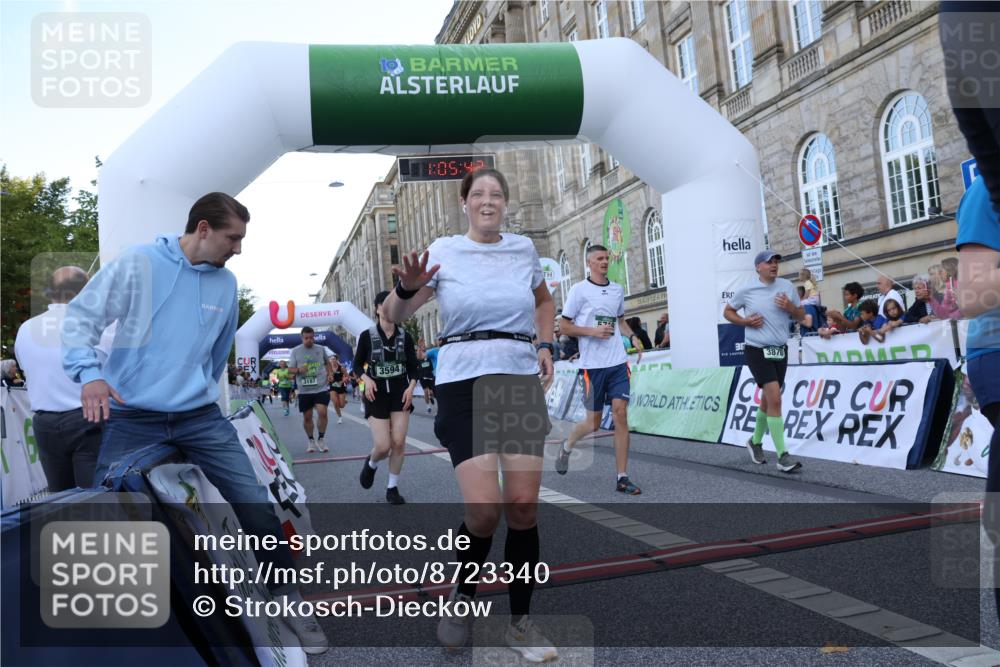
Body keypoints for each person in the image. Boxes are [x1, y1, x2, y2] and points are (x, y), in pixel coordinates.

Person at [60, 192, 326, 652]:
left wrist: (192, 391)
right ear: (202, 229)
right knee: (106, 508)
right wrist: (90, 375)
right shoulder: (140, 263)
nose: (238, 248)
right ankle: (107, 625)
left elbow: (217, 352)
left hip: (199, 418)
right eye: (233, 237)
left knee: (256, 504)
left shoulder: (226, 284)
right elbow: (81, 318)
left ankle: (290, 601)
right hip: (133, 416)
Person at [381, 167, 559, 661]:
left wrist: (545, 343)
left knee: (523, 507)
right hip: (464, 384)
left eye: (496, 194)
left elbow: (543, 300)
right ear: (464, 203)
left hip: (519, 379)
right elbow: (394, 319)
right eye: (478, 194)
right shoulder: (443, 251)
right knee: (484, 510)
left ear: (505, 202)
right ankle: (462, 597)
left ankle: (521, 624)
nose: (487, 201)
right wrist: (406, 289)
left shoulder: (523, 249)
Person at [555, 245, 643, 495]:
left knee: (620, 414)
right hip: (592, 367)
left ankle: (622, 477)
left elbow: (620, 320)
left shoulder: (616, 289)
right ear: (589, 263)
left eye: (606, 258)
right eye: (599, 259)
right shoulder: (578, 291)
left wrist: (633, 337)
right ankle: (568, 444)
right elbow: (564, 327)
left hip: (616, 363)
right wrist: (593, 331)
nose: (604, 262)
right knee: (593, 423)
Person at [14, 266, 104, 491]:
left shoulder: (26, 329)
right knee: (94, 498)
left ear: (51, 292)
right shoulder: (97, 325)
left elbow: (27, 370)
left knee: (60, 499)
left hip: (45, 424)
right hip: (89, 419)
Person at [723, 250, 805, 473]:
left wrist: (790, 308)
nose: (774, 265)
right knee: (775, 398)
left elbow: (801, 315)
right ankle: (782, 456)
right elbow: (728, 311)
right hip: (757, 350)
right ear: (758, 267)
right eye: (769, 262)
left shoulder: (787, 287)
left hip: (779, 350)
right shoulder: (747, 289)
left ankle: (755, 441)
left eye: (776, 261)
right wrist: (745, 321)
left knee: (769, 400)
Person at [356, 290, 419, 505]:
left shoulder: (404, 336)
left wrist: (411, 387)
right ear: (377, 309)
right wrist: (367, 379)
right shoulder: (367, 336)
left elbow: (414, 367)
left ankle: (392, 488)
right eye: (386, 304)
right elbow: (356, 365)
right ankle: (372, 464)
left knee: (399, 442)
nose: (391, 308)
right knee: (383, 446)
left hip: (400, 393)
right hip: (377, 395)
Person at [288, 326, 332, 453]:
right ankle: (311, 440)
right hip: (304, 389)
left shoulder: (320, 349)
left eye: (311, 338)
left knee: (323, 413)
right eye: (306, 338)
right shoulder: (295, 351)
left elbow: (327, 362)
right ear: (302, 338)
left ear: (314, 337)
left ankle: (321, 438)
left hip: (320, 387)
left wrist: (330, 374)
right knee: (307, 417)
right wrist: (298, 370)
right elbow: (289, 370)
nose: (309, 340)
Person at [417, 345, 437, 414]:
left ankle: (431, 397)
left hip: (430, 376)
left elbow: (431, 368)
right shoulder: (419, 359)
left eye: (424, 347)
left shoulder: (429, 359)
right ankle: (428, 407)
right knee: (425, 391)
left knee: (431, 392)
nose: (424, 347)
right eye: (423, 347)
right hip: (422, 377)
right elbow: (418, 355)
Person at [328, 355, 348, 424]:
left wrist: (342, 381)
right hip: (332, 387)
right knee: (335, 402)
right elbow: (327, 378)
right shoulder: (328, 369)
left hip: (341, 387)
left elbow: (347, 377)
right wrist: (329, 379)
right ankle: (339, 417)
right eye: (331, 359)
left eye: (334, 359)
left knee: (341, 405)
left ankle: (344, 401)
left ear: (336, 360)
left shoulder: (341, 368)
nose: (332, 361)